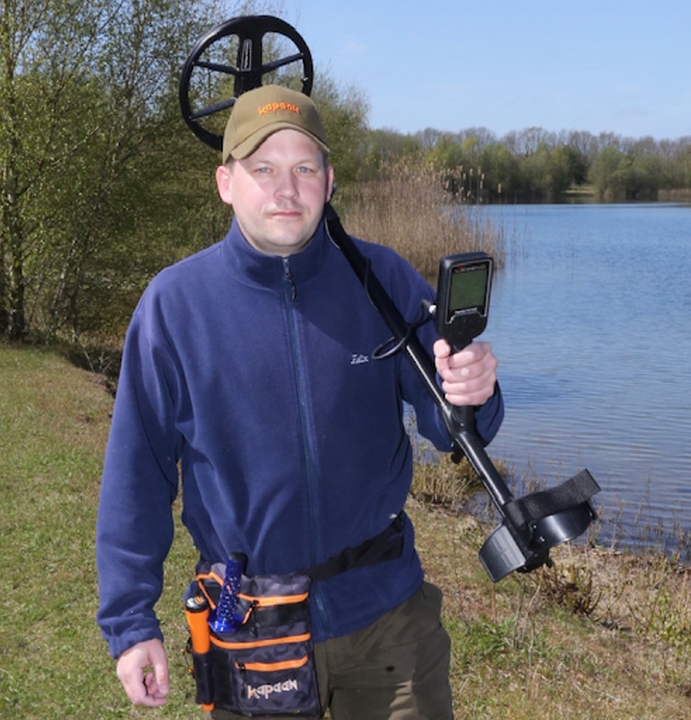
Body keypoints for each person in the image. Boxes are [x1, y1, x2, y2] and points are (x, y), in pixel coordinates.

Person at [96, 84, 503, 720]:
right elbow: (135, 478)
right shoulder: (174, 307)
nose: (285, 189)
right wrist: (130, 622)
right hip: (254, 632)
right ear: (226, 182)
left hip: (388, 619)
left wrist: (474, 390)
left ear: (329, 179)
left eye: (303, 168)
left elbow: (451, 428)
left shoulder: (383, 278)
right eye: (263, 169)